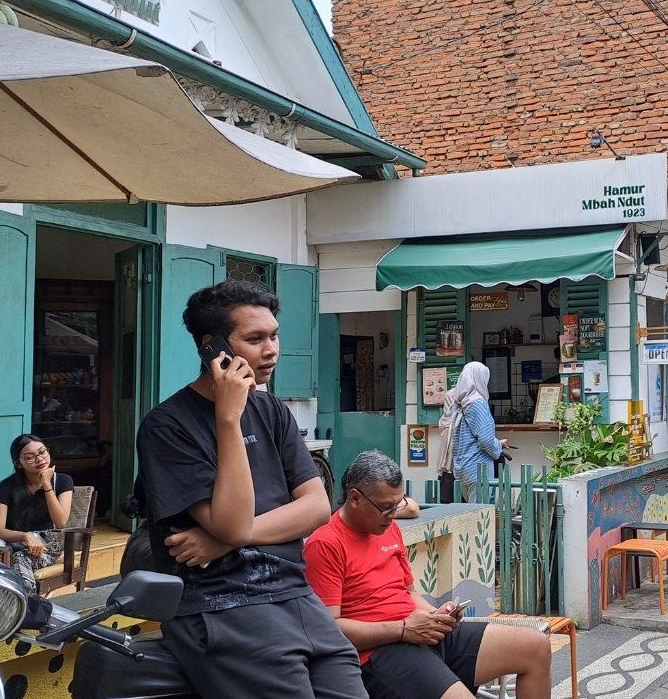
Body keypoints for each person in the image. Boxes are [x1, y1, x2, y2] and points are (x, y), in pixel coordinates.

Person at [135, 280, 364, 699]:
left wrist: (223, 541)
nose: (271, 350)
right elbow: (232, 524)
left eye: (274, 336)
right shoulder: (166, 427)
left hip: (296, 595)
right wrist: (228, 418)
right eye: (255, 339)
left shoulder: (272, 410)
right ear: (212, 347)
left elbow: (316, 507)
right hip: (221, 607)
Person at [304, 451, 553, 699]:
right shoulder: (325, 544)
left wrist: (436, 615)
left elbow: (408, 592)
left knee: (536, 646)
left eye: (397, 506)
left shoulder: (386, 528)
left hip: (419, 633)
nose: (393, 516)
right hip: (381, 651)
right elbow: (329, 630)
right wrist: (402, 629)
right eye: (386, 508)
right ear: (355, 498)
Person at [0, 434, 74, 593]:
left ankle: (27, 602)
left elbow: (61, 522)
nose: (39, 459)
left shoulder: (63, 481)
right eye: (30, 457)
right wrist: (26, 536)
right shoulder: (7, 486)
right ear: (18, 463)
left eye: (42, 452)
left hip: (46, 546)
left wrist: (46, 484)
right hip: (13, 542)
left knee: (20, 559)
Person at [437, 362, 503, 502]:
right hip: (478, 467)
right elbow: (486, 440)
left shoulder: (458, 404)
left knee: (469, 510)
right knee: (479, 512)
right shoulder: (478, 403)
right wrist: (499, 446)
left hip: (462, 468)